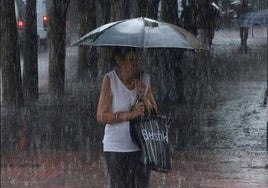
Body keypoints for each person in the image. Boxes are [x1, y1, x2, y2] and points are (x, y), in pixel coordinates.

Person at [97, 47, 158, 188]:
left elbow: (154, 111)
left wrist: (144, 97)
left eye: (137, 60)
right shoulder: (110, 80)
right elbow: (101, 115)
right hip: (116, 148)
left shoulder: (144, 78)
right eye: (131, 60)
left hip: (141, 146)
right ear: (119, 60)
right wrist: (129, 115)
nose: (136, 64)